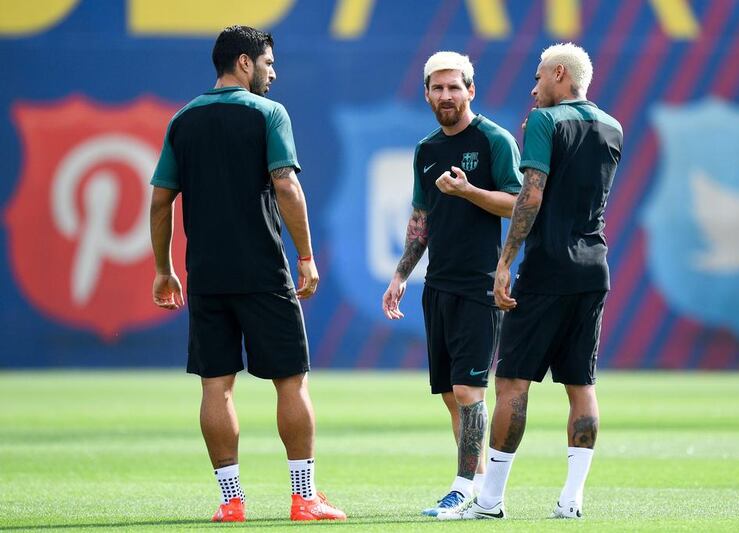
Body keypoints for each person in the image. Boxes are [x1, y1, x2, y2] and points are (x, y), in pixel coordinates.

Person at [148, 25, 345, 523]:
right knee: (291, 382)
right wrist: (305, 255)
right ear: (243, 63)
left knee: (216, 386)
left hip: (206, 275)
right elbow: (287, 187)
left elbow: (159, 200)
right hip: (261, 270)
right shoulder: (268, 113)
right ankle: (304, 498)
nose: (273, 73)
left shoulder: (182, 120)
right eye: (268, 63)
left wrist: (163, 270)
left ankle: (230, 501)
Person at [441, 42, 623, 520]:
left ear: (560, 74)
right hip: (594, 266)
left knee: (513, 385)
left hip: (547, 269)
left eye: (540, 77)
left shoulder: (545, 121)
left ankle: (491, 499)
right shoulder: (613, 127)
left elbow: (532, 195)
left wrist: (506, 259)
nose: (533, 87)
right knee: (582, 385)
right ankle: (571, 500)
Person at [382, 51, 523, 517]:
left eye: (454, 87)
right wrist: (401, 275)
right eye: (437, 88)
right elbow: (421, 218)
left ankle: (463, 487)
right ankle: (480, 486)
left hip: (480, 285)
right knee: (450, 395)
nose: (446, 95)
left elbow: (519, 204)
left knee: (469, 393)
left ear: (471, 90)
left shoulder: (493, 140)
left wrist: (469, 192)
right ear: (426, 93)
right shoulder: (426, 150)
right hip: (436, 285)